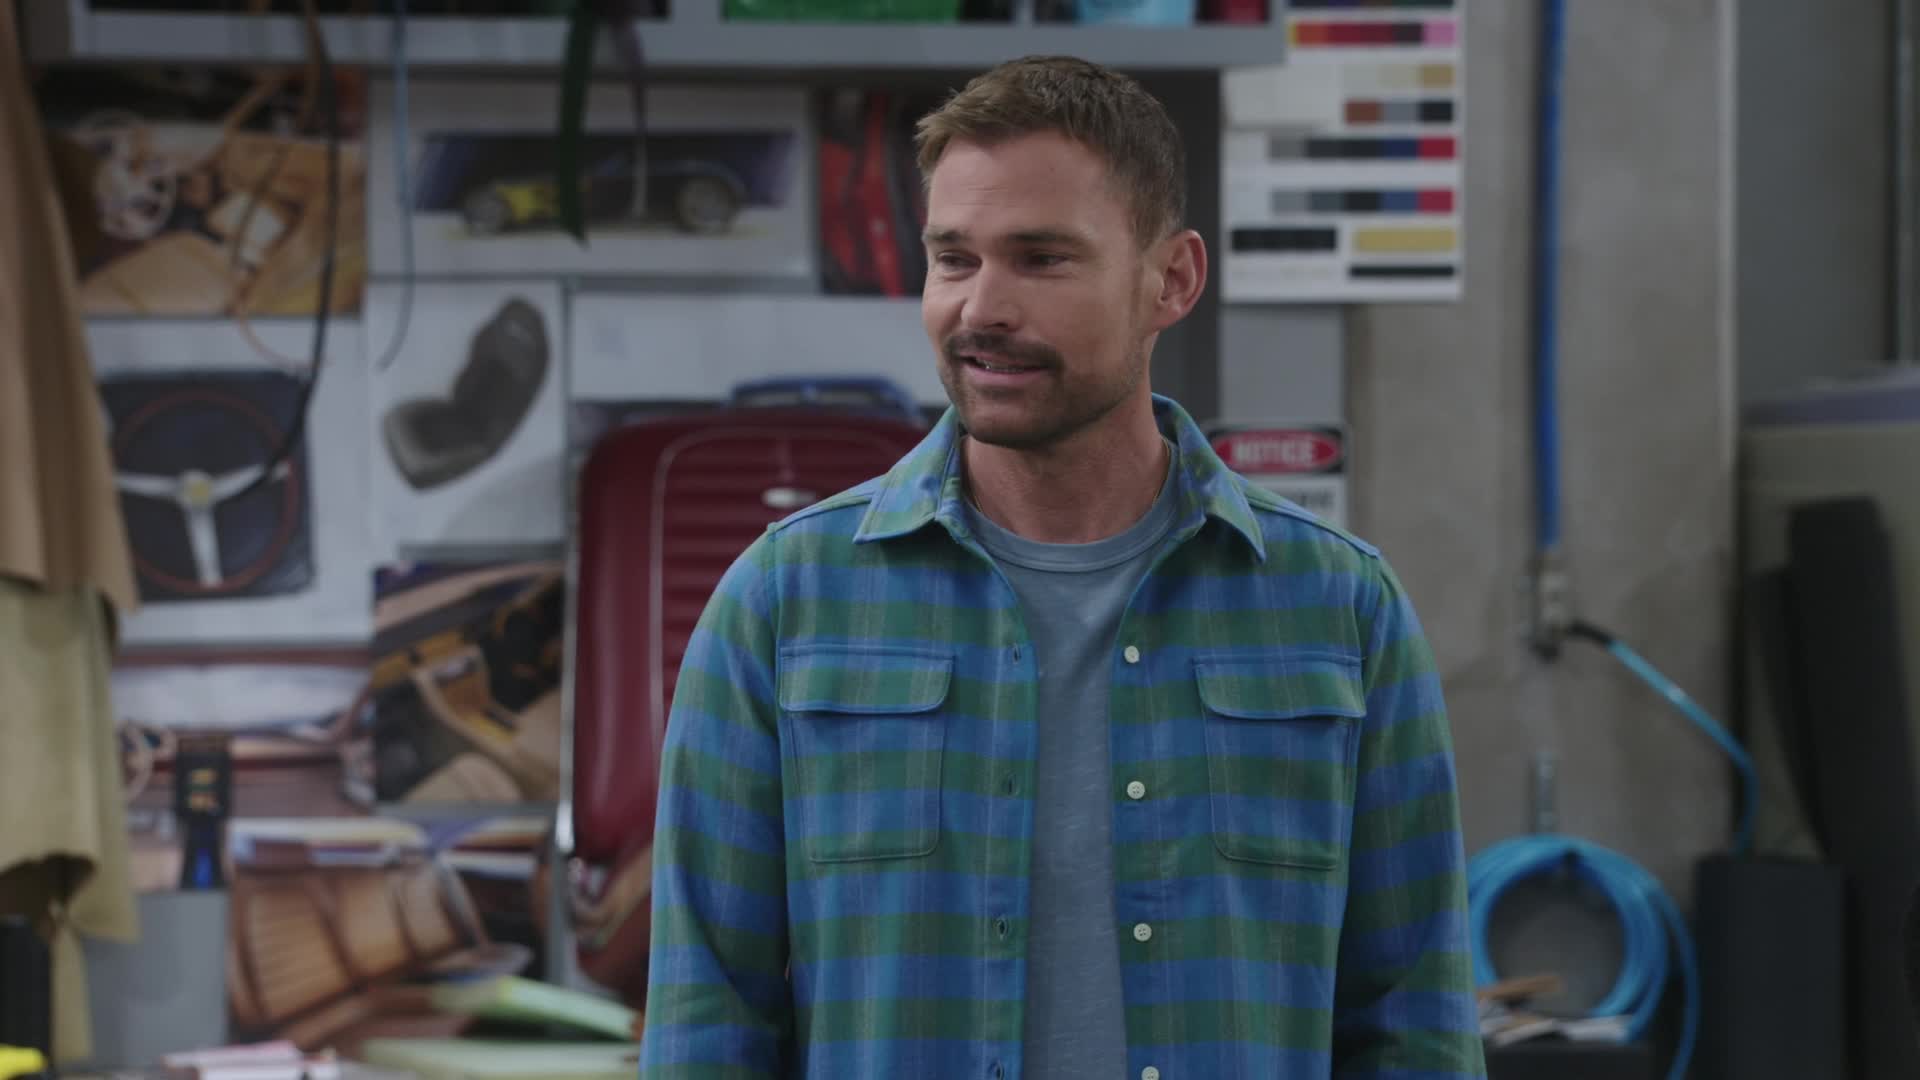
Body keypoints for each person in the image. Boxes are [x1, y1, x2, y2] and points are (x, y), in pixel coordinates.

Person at [637, 55, 1486, 1080]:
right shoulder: (784, 603)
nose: (980, 308)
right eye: (954, 259)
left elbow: (1415, 1025)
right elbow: (707, 1023)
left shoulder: (1339, 609)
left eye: (1041, 259)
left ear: (1171, 280)